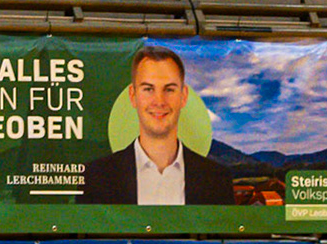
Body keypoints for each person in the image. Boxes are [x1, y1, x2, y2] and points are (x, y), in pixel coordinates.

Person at [80, 44, 236, 206]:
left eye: (169, 89)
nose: (159, 101)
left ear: (183, 96)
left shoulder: (217, 178)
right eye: (148, 89)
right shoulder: (96, 176)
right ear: (133, 96)